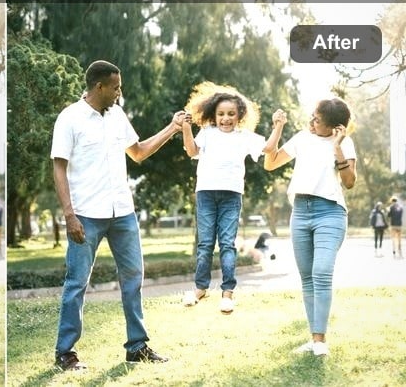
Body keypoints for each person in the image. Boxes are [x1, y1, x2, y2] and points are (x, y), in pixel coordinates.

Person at [51, 60, 187, 370]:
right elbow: (58, 167)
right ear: (99, 86)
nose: (119, 92)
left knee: (133, 279)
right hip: (85, 214)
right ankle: (65, 352)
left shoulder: (117, 115)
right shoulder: (70, 118)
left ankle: (136, 347)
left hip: (122, 212)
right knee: (77, 283)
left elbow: (138, 152)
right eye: (115, 86)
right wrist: (69, 214)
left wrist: (172, 128)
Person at [179, 82, 286, 314]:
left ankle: (227, 293)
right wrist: (186, 128)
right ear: (213, 115)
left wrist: (278, 126)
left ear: (239, 116)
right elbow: (191, 151)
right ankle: (200, 288)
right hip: (206, 194)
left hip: (231, 196)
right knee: (206, 244)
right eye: (221, 114)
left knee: (227, 244)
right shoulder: (207, 133)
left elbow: (268, 147)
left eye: (230, 114)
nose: (225, 118)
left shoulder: (244, 137)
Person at [264, 97, 357, 357]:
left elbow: (349, 182)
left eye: (317, 120)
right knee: (307, 278)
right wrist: (278, 127)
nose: (311, 122)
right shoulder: (302, 138)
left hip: (330, 212)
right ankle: (315, 340)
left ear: (335, 127)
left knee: (322, 272)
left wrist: (337, 147)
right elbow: (270, 164)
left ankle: (320, 341)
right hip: (301, 212)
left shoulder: (345, 142)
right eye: (313, 116)